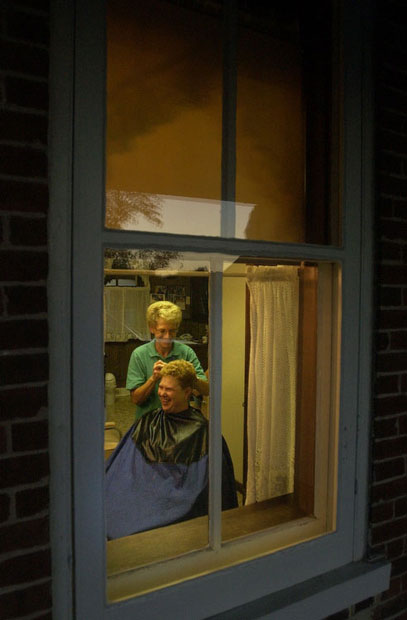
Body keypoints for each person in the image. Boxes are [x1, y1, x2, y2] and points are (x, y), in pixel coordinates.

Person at [105, 360, 237, 540]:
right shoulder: (148, 421)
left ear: (187, 392)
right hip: (141, 494)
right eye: (161, 387)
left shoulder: (203, 432)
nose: (162, 394)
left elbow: (200, 490)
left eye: (169, 389)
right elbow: (123, 467)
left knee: (135, 532)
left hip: (173, 506)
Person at [126, 300, 208, 420]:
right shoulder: (139, 355)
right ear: (152, 328)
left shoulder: (186, 352)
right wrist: (153, 379)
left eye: (172, 331)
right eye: (162, 331)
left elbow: (206, 390)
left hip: (180, 422)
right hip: (148, 422)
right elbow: (136, 399)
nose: (167, 337)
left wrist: (188, 376)